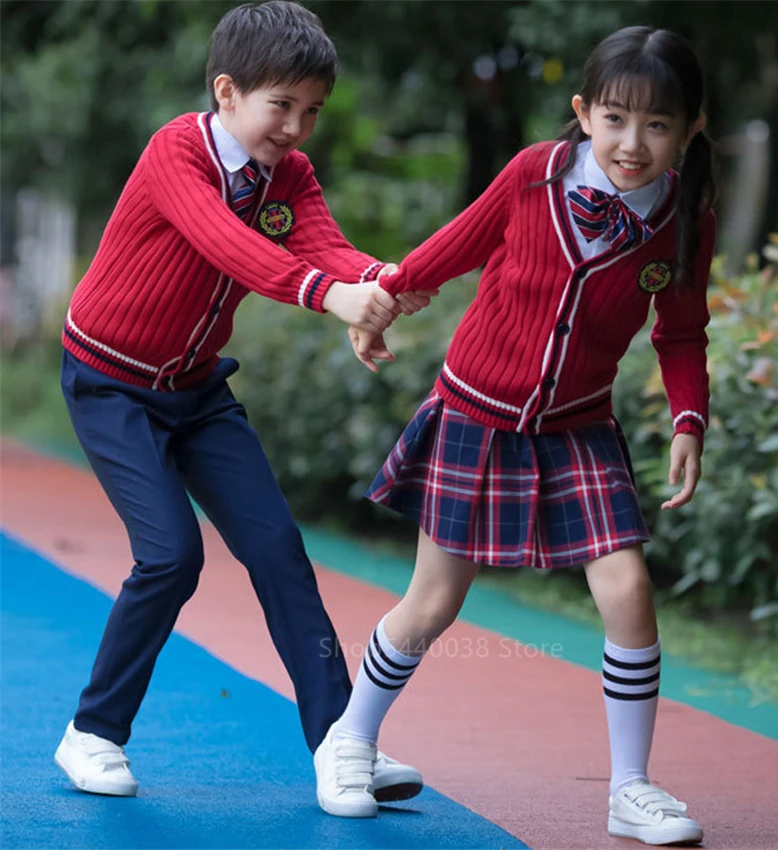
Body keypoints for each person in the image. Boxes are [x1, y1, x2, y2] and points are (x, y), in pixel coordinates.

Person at [320, 25, 717, 843]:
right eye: (613, 119)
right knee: (433, 603)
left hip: (579, 428)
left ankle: (631, 788)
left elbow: (681, 331)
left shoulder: (685, 217)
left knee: (630, 592)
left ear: (690, 129)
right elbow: (454, 245)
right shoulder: (535, 172)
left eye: (657, 126)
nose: (632, 144)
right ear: (583, 113)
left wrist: (689, 417)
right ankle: (349, 739)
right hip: (476, 414)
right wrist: (382, 300)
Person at [54, 0, 431, 805]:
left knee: (278, 549)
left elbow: (322, 245)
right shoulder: (175, 154)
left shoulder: (288, 175)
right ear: (228, 93)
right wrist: (332, 298)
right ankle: (91, 734)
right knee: (171, 555)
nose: (297, 127)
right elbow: (238, 249)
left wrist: (386, 283)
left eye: (312, 111)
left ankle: (340, 743)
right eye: (281, 106)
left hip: (195, 391)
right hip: (109, 382)